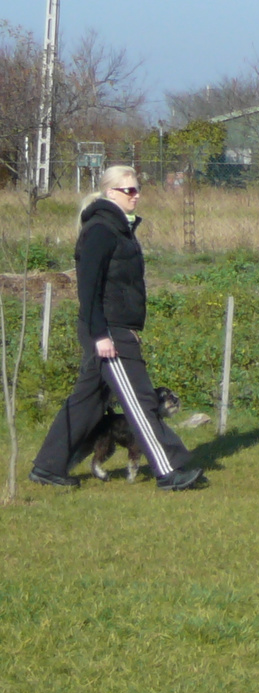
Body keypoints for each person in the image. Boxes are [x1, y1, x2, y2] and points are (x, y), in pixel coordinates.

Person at [30, 166, 204, 491]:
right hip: (110, 329)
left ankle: (48, 467)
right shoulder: (100, 230)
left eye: (137, 189)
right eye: (129, 190)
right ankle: (171, 470)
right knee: (140, 401)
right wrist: (100, 335)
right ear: (110, 193)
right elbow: (88, 288)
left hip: (114, 327)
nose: (136, 195)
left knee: (87, 402)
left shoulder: (120, 229)